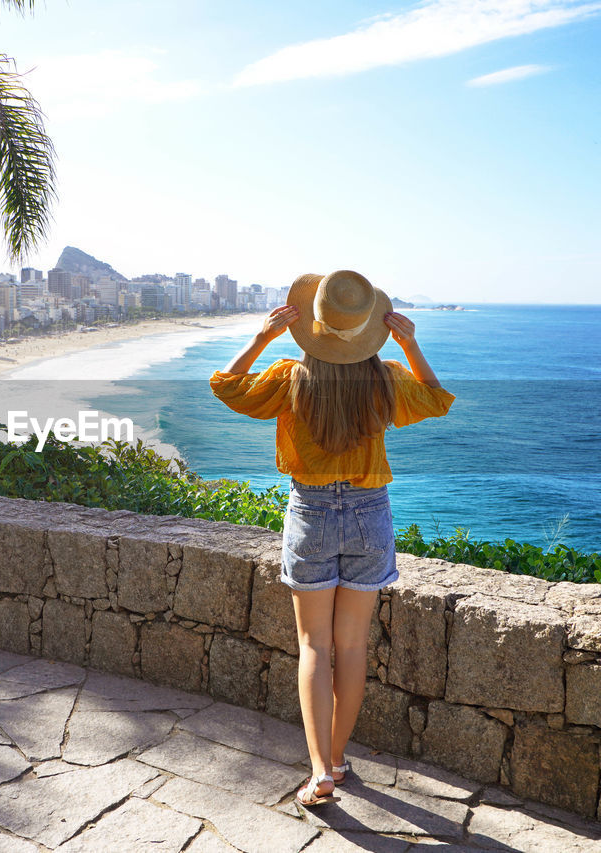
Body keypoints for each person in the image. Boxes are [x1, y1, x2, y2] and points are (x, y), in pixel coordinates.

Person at [209, 270, 454, 807]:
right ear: (368, 327)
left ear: (314, 326)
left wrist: (261, 337)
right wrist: (412, 345)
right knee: (351, 645)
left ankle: (319, 769)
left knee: (314, 646)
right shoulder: (386, 378)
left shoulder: (289, 377)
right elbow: (437, 400)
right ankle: (339, 759)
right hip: (371, 513)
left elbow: (225, 386)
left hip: (312, 512)